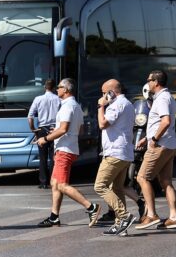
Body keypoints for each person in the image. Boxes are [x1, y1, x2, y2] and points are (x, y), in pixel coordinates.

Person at [36, 78, 101, 227]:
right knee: (54, 183)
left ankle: (91, 207)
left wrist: (45, 139)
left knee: (62, 185)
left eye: (59, 87)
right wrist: (58, 131)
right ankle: (54, 216)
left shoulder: (67, 106)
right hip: (70, 148)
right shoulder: (76, 106)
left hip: (65, 150)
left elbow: (64, 129)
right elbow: (79, 129)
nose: (56, 89)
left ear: (65, 90)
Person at [135, 70, 176, 230]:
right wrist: (146, 137)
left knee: (142, 178)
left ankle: (151, 215)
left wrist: (153, 140)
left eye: (149, 80)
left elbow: (165, 121)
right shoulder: (167, 97)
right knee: (166, 181)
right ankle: (173, 217)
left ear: (156, 82)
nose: (147, 83)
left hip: (160, 145)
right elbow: (159, 123)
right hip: (169, 144)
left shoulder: (162, 98)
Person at [94, 79, 137, 236]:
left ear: (111, 92)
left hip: (115, 153)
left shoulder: (117, 104)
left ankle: (124, 216)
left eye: (104, 93)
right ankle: (120, 224)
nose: (103, 96)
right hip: (124, 152)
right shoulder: (128, 104)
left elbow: (102, 124)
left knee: (100, 186)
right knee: (117, 188)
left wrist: (101, 106)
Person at [28, 79, 61, 188]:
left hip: (41, 129)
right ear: (54, 88)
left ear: (45, 87)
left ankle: (43, 182)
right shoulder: (58, 99)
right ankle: (53, 181)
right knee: (53, 156)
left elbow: (30, 115)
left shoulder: (38, 99)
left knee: (42, 157)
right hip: (54, 129)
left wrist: (33, 128)